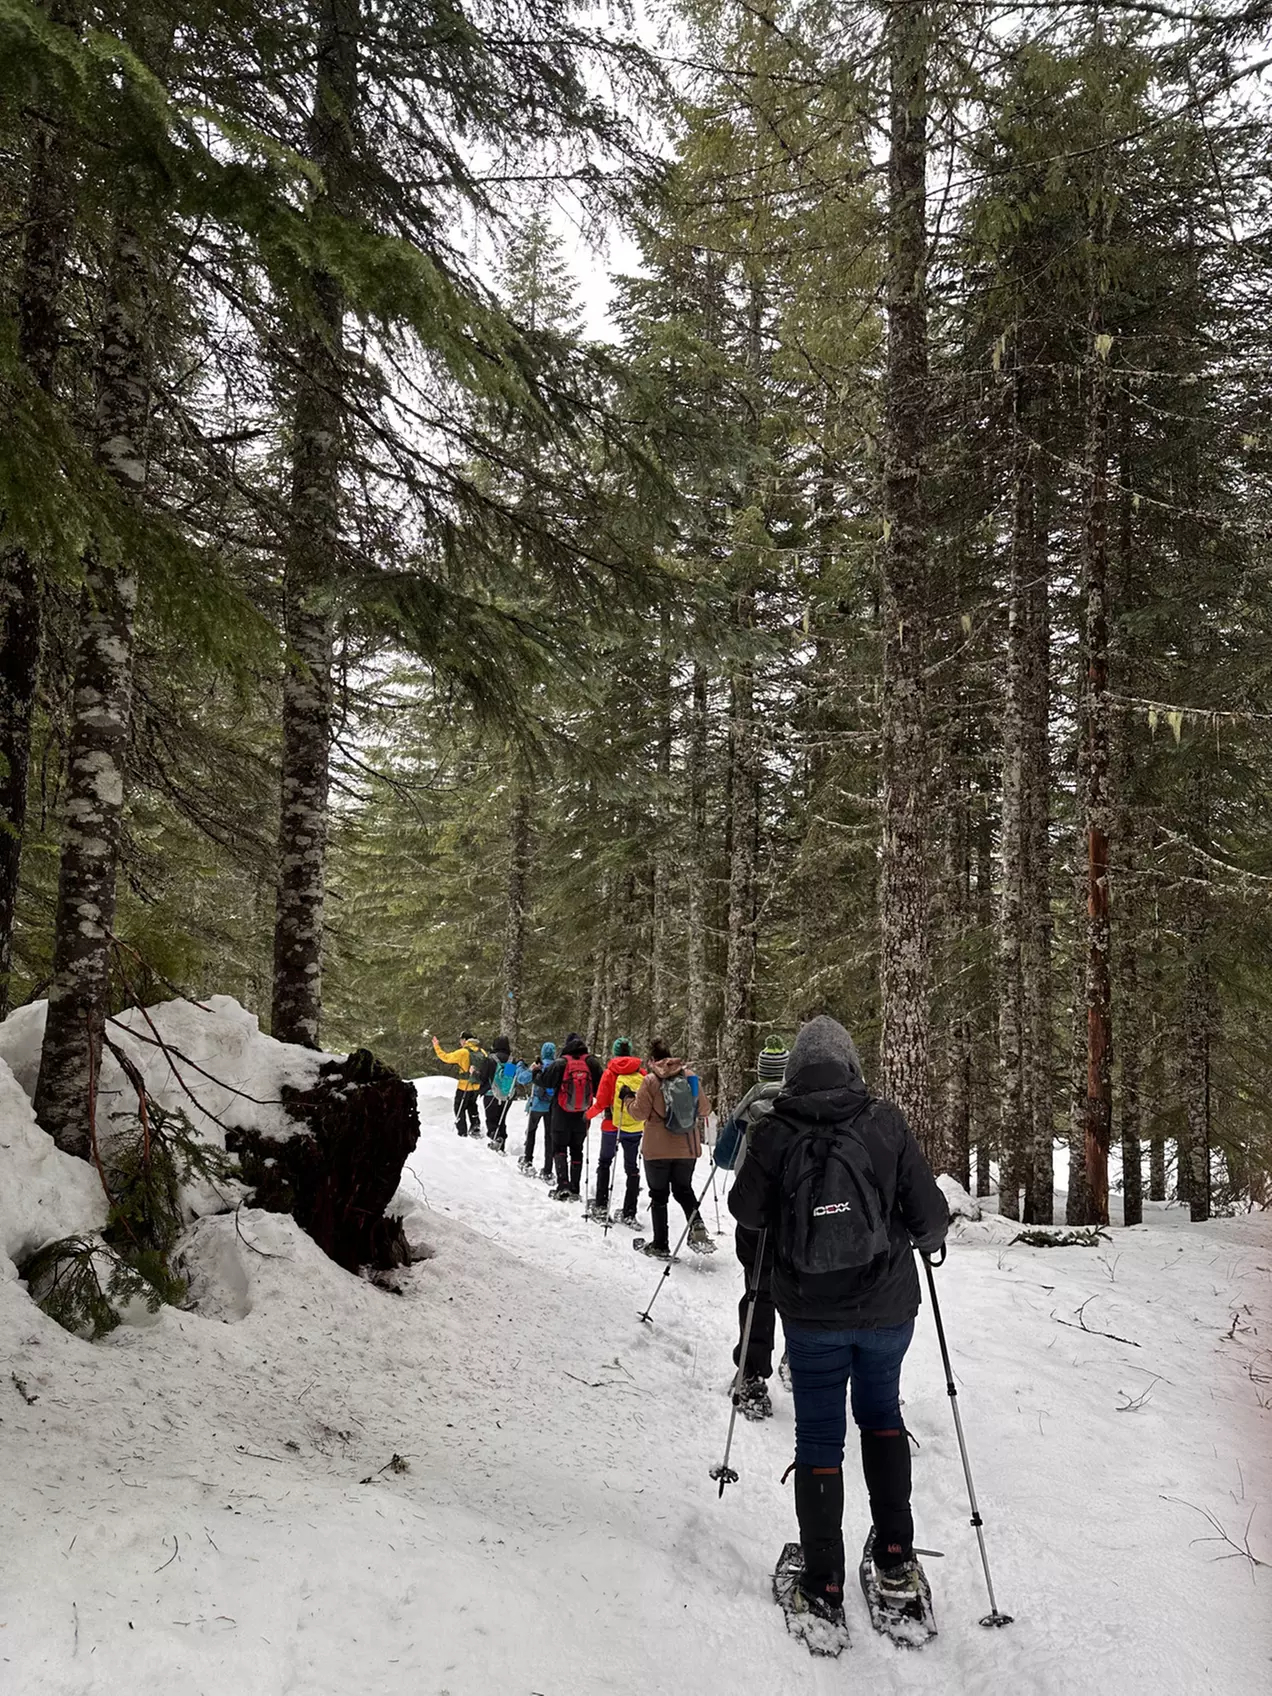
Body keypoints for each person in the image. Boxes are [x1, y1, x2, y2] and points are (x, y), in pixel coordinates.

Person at [728, 1014, 948, 1634]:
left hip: (810, 1312)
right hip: (886, 1308)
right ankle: (897, 1562)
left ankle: (823, 1579)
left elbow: (743, 1209)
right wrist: (922, 1239)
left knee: (820, 1433)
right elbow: (930, 1216)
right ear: (851, 1065)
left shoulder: (776, 1128)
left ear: (795, 1070)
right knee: (882, 1417)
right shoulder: (884, 1122)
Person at [714, 1035, 789, 1419]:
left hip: (755, 1213)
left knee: (758, 1291)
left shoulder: (752, 1104)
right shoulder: (806, 1101)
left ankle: (752, 1374)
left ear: (761, 1071)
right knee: (800, 1288)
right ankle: (795, 1357)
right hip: (799, 1215)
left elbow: (723, 1158)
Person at [629, 1038, 713, 1258]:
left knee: (659, 1195)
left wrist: (628, 1101)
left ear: (652, 1060)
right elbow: (704, 1109)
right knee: (683, 1189)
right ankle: (697, 1225)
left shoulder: (650, 1080)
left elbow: (638, 1113)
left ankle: (660, 1244)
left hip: (656, 1148)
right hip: (687, 1146)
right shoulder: (690, 1077)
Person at [584, 1038, 647, 1225]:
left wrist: (587, 1115)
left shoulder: (610, 1073)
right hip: (635, 1127)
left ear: (615, 1052)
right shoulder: (641, 1073)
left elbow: (602, 1102)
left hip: (612, 1126)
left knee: (605, 1162)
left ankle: (601, 1205)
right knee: (632, 1168)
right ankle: (629, 1212)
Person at [539, 1033, 604, 1201]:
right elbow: (601, 1087)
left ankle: (563, 1185)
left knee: (559, 1148)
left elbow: (545, 1082)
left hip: (561, 1112)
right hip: (582, 1115)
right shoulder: (591, 1062)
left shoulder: (561, 1062)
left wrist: (535, 1073)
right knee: (577, 1149)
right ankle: (575, 1188)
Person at [431, 1030, 486, 1136]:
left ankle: (462, 1132)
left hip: (464, 1085)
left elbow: (446, 1057)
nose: (460, 1042)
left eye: (461, 1040)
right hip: (477, 1086)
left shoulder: (463, 1052)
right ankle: (475, 1127)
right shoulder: (482, 1052)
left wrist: (436, 1046)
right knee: (472, 1105)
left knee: (459, 1108)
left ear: (465, 1040)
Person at [520, 1041, 557, 1178]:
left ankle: (528, 1160)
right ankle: (548, 1169)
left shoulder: (538, 1066)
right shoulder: (557, 1066)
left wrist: (528, 1069)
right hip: (551, 1106)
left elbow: (522, 1079)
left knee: (531, 1133)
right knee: (549, 1137)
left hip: (536, 1104)